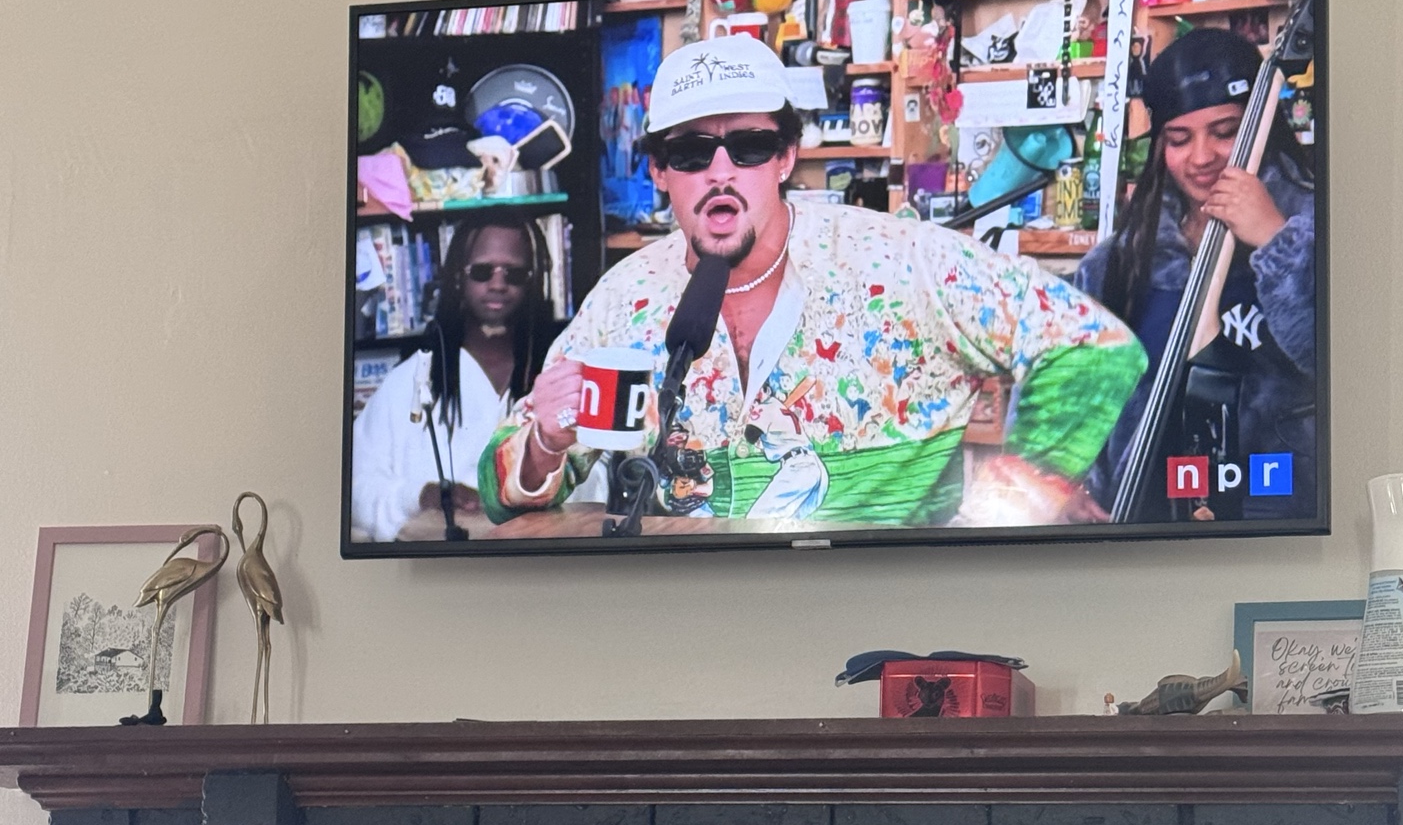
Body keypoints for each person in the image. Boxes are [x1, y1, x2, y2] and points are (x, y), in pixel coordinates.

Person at [478, 37, 1145, 531]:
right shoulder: (625, 299)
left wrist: (1002, 513)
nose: (720, 172)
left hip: (894, 616)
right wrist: (545, 446)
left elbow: (1097, 348)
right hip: (689, 620)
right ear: (659, 171)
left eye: (749, 147)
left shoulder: (903, 262)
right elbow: (498, 486)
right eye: (691, 152)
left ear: (786, 157)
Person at [1076, 27, 1316, 520]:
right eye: (1179, 139)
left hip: (1284, 524)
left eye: (1225, 132)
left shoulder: (1318, 227)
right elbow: (1076, 394)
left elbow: (1344, 367)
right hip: (1145, 524)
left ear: (1261, 125)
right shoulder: (1115, 264)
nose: (1202, 157)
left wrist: (1276, 239)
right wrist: (1064, 483)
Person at [350, 216, 556, 541]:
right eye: (482, 271)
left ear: (533, 281)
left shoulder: (557, 378)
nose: (498, 284)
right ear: (459, 277)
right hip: (436, 563)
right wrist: (421, 495)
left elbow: (594, 482)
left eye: (514, 274)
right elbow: (356, 485)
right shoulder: (408, 382)